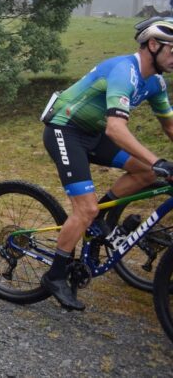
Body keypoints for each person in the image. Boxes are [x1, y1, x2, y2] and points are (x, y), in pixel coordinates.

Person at [40, 17, 173, 311]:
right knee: (84, 208)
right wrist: (159, 160)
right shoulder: (125, 71)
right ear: (153, 45)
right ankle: (56, 274)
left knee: (146, 172)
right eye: (172, 50)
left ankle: (101, 218)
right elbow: (116, 129)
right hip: (65, 129)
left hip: (93, 133)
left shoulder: (156, 82)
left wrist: (154, 164)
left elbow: (170, 126)